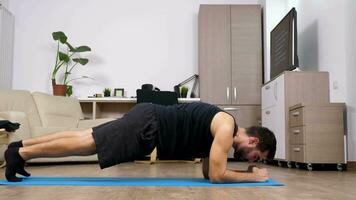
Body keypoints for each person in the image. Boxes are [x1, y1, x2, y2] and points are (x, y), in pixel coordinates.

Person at [4, 102, 276, 183]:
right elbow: (217, 176)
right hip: (149, 127)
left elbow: (207, 171)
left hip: (148, 120)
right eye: (257, 156)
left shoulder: (222, 132)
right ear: (253, 140)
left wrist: (240, 172)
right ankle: (23, 155)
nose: (254, 161)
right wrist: (255, 178)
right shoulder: (227, 127)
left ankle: (20, 147)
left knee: (85, 138)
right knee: (88, 145)